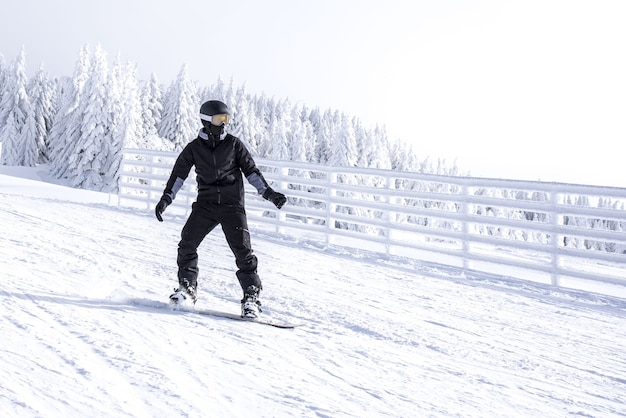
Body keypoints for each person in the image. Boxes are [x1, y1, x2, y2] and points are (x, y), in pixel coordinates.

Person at [154, 100, 287, 318]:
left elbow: (251, 172)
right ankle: (187, 288)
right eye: (219, 120)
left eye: (226, 119)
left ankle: (251, 298)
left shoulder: (234, 145)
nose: (224, 124)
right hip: (205, 205)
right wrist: (166, 199)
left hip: (232, 205)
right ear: (206, 121)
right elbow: (178, 175)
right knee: (187, 243)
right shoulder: (194, 148)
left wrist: (269, 193)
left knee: (243, 252)